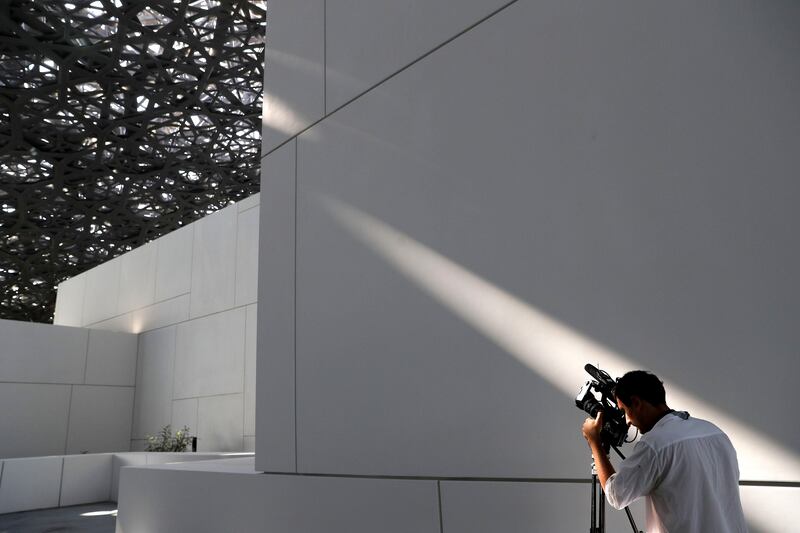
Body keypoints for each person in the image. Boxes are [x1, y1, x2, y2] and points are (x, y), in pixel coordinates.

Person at [581, 370, 748, 533]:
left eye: (624, 411)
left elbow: (616, 494)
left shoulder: (655, 445)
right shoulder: (715, 433)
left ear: (636, 402)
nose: (627, 421)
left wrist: (595, 441)